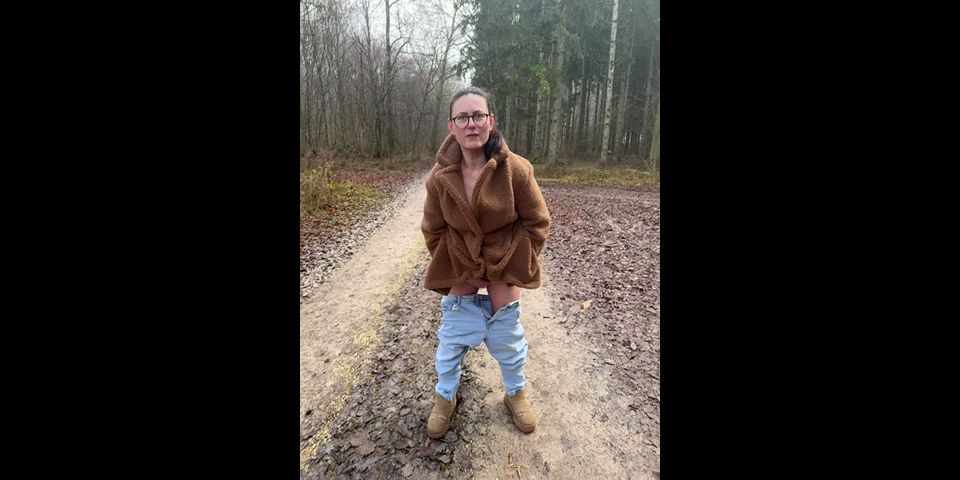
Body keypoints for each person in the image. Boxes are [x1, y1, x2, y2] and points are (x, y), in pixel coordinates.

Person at [420, 86, 551, 439]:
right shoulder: (439, 178)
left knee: (507, 337)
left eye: (478, 115)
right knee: (452, 337)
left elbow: (538, 222)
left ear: (491, 121)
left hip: (503, 265)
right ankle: (446, 396)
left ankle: (515, 393)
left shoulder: (517, 170)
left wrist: (512, 262)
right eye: (462, 117)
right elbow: (433, 229)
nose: (471, 124)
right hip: (462, 265)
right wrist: (456, 264)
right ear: (451, 126)